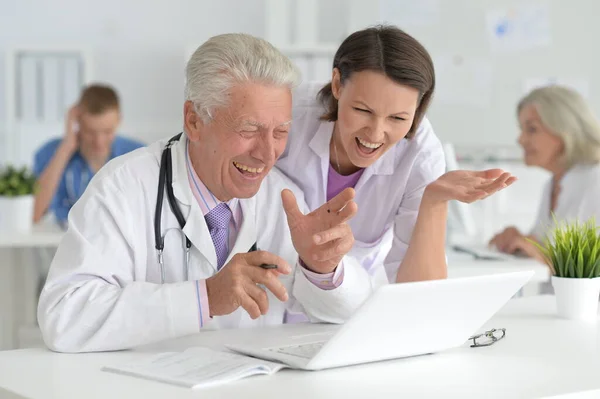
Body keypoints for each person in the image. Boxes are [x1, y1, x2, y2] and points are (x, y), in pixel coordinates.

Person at [37, 33, 377, 353]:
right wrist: (203, 298)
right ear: (194, 120)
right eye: (249, 129)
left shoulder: (281, 198)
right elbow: (64, 316)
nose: (267, 153)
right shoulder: (123, 188)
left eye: (281, 132)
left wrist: (323, 268)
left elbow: (350, 317)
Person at [276, 25, 516, 285]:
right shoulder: (287, 114)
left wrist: (433, 201)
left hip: (344, 296)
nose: (376, 134)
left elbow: (421, 292)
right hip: (270, 288)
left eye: (397, 118)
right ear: (337, 85)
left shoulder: (421, 156)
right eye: (362, 110)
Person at [490, 86, 600, 262]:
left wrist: (541, 255)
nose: (520, 139)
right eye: (522, 129)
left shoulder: (595, 181)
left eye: (532, 129)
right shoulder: (551, 185)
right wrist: (521, 240)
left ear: (565, 130)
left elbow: (589, 266)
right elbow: (548, 249)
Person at [33, 84, 145, 225]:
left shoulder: (138, 154)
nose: (99, 141)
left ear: (118, 120)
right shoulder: (50, 153)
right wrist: (67, 147)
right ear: (77, 122)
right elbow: (34, 214)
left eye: (107, 131)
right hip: (62, 243)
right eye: (90, 132)